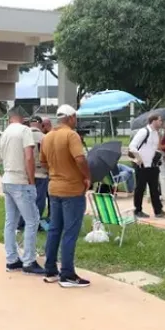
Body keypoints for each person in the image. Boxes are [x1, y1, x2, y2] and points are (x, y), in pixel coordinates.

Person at [40, 104, 91, 288]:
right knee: (70, 232)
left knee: (54, 229)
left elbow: (43, 162)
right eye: (75, 118)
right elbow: (80, 158)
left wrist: (57, 172)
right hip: (72, 190)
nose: (76, 121)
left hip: (54, 188)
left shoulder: (48, 137)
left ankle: (50, 270)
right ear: (70, 117)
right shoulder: (71, 135)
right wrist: (86, 176)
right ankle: (67, 274)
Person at [0, 109, 45, 275]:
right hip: (21, 180)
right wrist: (32, 180)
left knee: (10, 221)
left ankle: (12, 259)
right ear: (23, 118)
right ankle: (29, 260)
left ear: (10, 118)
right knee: (32, 220)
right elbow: (29, 157)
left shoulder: (4, 133)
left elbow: (1, 157)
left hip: (7, 179)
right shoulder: (25, 131)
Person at [128, 113, 165, 218]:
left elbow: (153, 148)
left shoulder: (156, 133)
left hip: (152, 165)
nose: (161, 122)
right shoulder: (144, 132)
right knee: (140, 189)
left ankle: (158, 210)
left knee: (154, 188)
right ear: (154, 121)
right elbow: (132, 146)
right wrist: (138, 158)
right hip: (142, 166)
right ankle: (138, 210)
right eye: (160, 120)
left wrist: (160, 154)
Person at [18, 115, 48, 231]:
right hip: (41, 172)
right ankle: (35, 223)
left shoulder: (22, 136)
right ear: (41, 124)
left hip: (26, 173)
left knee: (25, 199)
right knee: (39, 200)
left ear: (30, 124)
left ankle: (21, 223)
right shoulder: (44, 138)